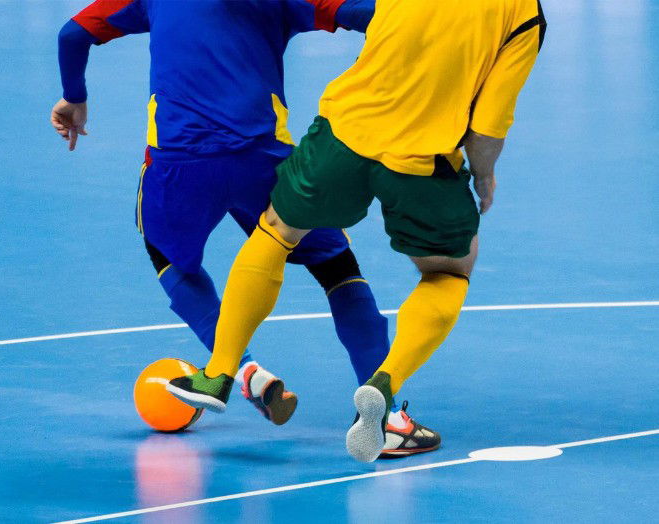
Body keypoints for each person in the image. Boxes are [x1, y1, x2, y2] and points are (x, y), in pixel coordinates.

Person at [51, 0, 441, 457]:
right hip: (264, 161)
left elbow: (72, 35)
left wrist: (74, 97)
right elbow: (373, 15)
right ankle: (388, 417)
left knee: (169, 257)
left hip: (180, 165)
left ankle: (239, 370)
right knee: (337, 267)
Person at [168, 0, 547, 462]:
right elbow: (487, 127)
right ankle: (383, 388)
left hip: (342, 136)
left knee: (275, 231)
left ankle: (219, 371)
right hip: (421, 161)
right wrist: (483, 175)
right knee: (449, 271)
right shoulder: (524, 14)